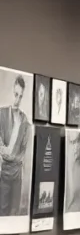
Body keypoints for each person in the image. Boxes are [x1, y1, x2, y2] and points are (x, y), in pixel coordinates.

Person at [0, 76, 30, 216]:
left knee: (14, 212)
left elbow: (23, 150)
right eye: (16, 94)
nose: (17, 100)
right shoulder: (1, 114)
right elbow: (3, 149)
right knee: (2, 210)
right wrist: (8, 154)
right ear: (11, 91)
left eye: (20, 96)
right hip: (5, 173)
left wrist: (13, 157)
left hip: (17, 174)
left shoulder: (24, 120)